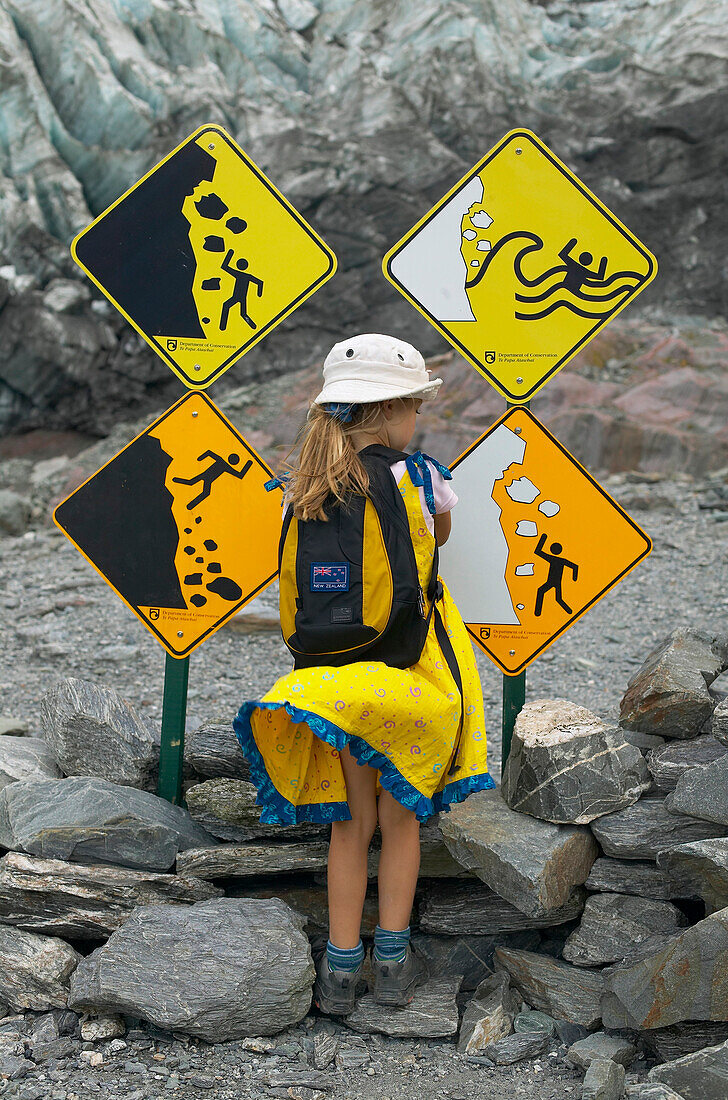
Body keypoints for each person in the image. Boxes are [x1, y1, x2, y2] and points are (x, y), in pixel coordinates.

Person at [233, 334, 495, 1016]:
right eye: (415, 407)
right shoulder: (420, 478)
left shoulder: (300, 487)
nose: (419, 422)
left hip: (336, 680)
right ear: (395, 409)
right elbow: (438, 541)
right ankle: (395, 961)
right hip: (406, 673)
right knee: (400, 819)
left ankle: (340, 972)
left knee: (349, 824)